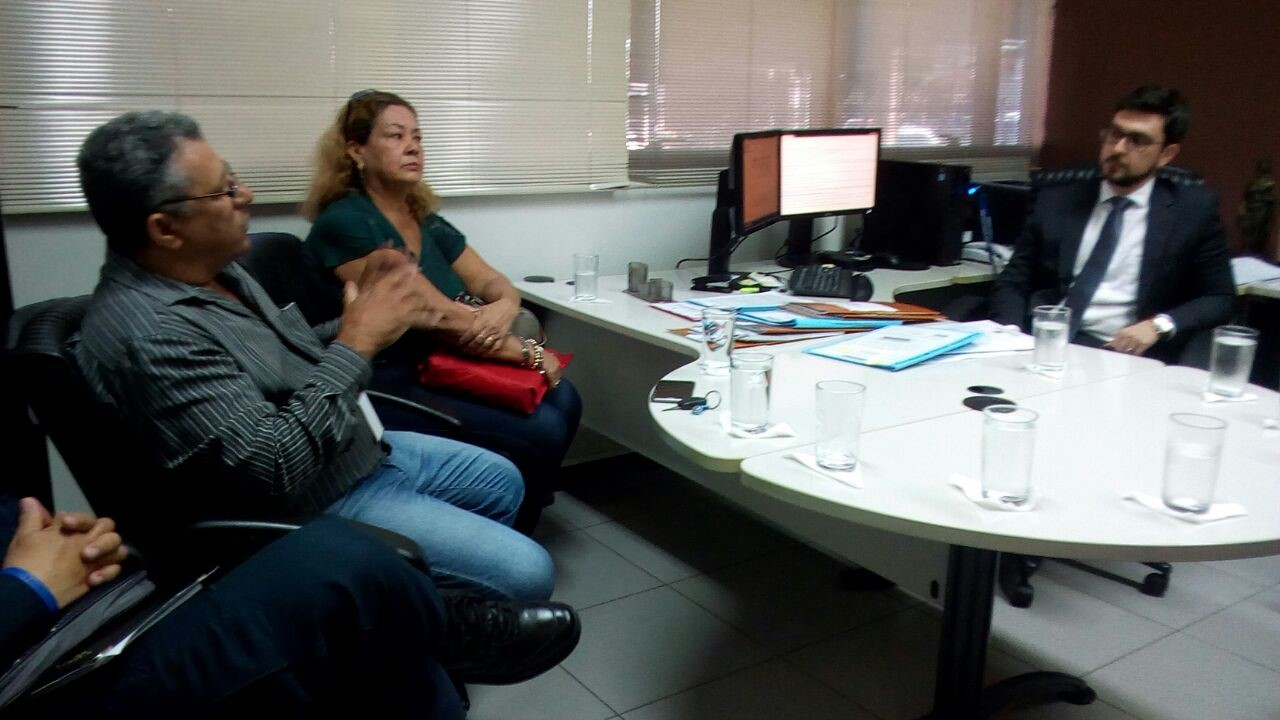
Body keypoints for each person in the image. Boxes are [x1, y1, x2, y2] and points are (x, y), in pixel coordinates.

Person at [74, 110, 553, 601]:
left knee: (503, 481)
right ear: (165, 229)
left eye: (234, 179)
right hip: (316, 501)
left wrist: (371, 315)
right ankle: (405, 613)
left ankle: (418, 604)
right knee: (530, 572)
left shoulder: (212, 269)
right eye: (223, 191)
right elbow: (275, 467)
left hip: (353, 448)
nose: (246, 195)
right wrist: (358, 339)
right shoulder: (150, 333)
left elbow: (286, 353)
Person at [1, 494, 580, 717]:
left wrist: (72, 549)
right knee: (340, 567)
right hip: (39, 681)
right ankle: (446, 626)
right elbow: (271, 457)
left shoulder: (241, 286)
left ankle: (426, 625)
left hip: (79, 621)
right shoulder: (148, 324)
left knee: (507, 469)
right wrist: (27, 586)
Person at [301, 90, 582, 532]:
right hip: (391, 378)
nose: (413, 147)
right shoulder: (345, 221)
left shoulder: (422, 217)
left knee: (567, 399)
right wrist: (526, 352)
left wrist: (504, 306)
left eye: (417, 137)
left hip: (450, 360)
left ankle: (517, 520)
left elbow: (489, 280)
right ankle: (507, 541)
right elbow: (432, 314)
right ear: (356, 150)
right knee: (543, 428)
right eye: (396, 136)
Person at [990, 85, 1234, 364]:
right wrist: (1010, 335)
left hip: (1122, 352)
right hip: (1044, 341)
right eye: (1114, 134)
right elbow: (1014, 280)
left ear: (1167, 154)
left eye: (1137, 140)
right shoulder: (1057, 199)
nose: (1117, 148)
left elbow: (1220, 298)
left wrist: (1159, 325)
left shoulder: (1192, 211)